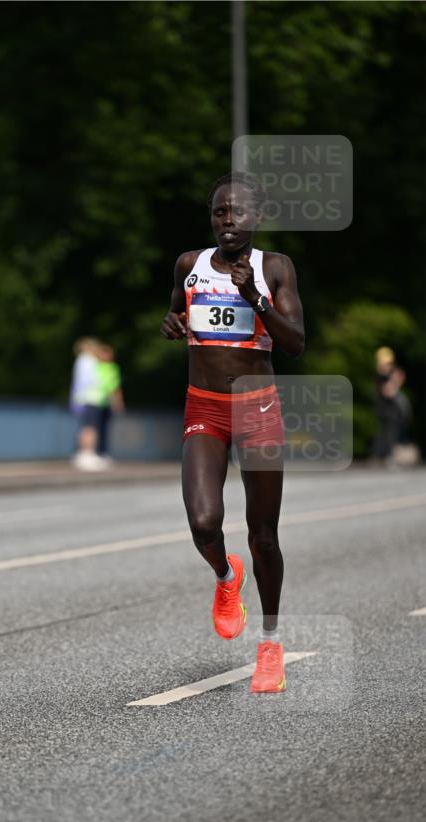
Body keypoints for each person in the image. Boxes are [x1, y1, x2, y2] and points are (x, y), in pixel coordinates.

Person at [160, 172, 305, 693]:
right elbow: (178, 311)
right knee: (203, 520)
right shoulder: (189, 264)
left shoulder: (275, 268)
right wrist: (171, 323)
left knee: (263, 534)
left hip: (257, 409)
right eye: (220, 212)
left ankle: (270, 644)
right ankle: (225, 577)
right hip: (205, 406)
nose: (228, 220)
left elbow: (295, 343)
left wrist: (256, 298)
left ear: (256, 218)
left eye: (238, 212)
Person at [69, 338, 108, 471]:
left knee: (89, 427)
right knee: (90, 427)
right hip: (91, 398)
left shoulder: (84, 360)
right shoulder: (87, 360)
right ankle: (86, 454)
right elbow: (88, 380)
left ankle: (87, 453)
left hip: (89, 398)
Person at [95, 343, 125, 462]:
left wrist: (118, 401)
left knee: (104, 428)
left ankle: (102, 452)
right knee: (93, 428)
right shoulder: (94, 366)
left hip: (106, 401)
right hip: (96, 400)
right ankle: (95, 452)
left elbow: (116, 386)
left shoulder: (113, 367)